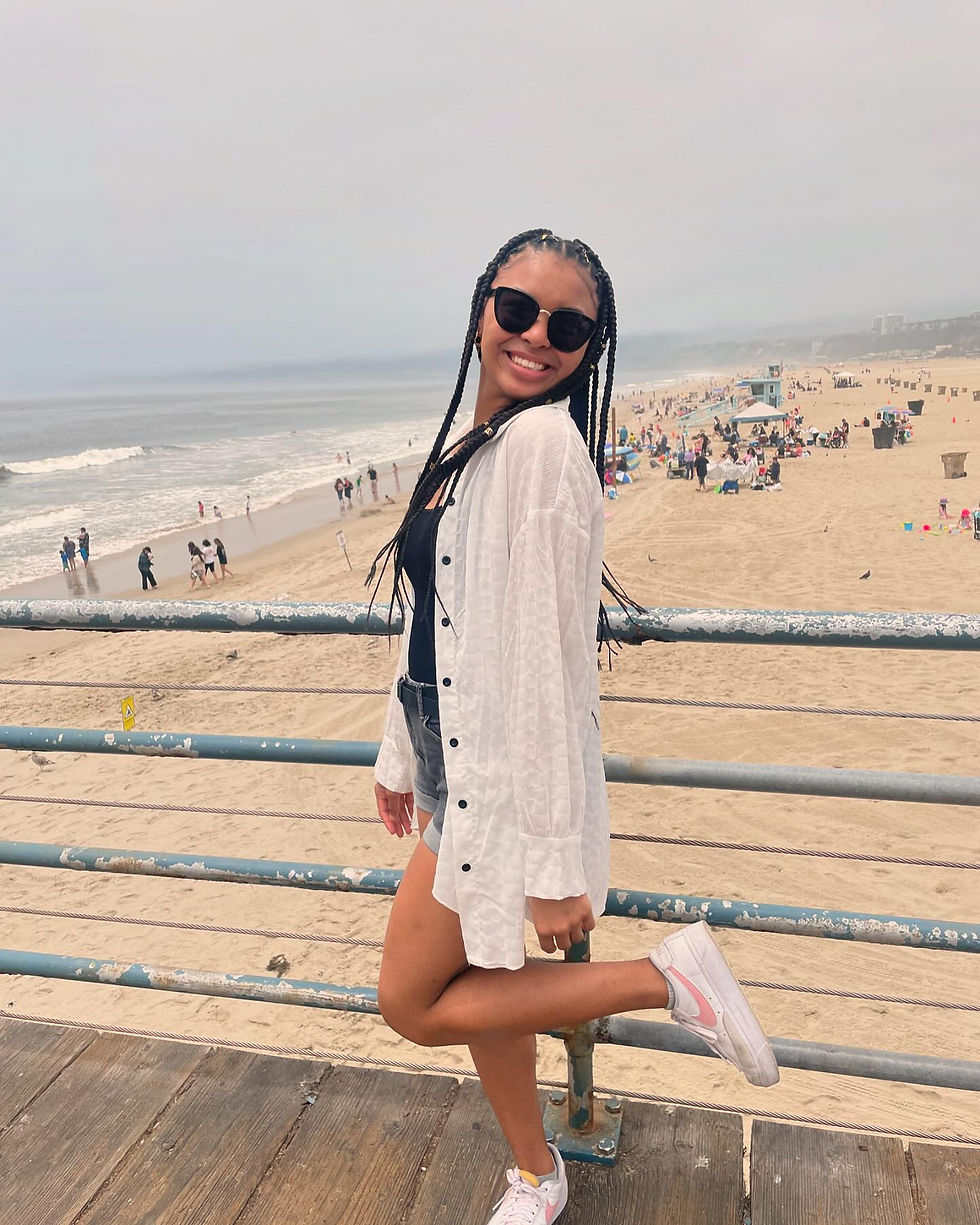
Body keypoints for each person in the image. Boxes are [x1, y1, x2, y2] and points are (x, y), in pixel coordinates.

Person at [368, 229, 778, 1225]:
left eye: (568, 328)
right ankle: (534, 1171)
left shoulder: (543, 448)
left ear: (590, 347)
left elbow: (549, 664)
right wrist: (398, 751)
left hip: (501, 780)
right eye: (516, 309)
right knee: (480, 980)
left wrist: (554, 860)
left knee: (411, 1001)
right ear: (482, 308)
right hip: (450, 760)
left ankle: (662, 979)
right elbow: (434, 622)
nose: (536, 337)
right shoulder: (477, 444)